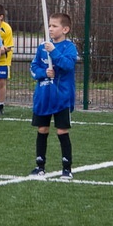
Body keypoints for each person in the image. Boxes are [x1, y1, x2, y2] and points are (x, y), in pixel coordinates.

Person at [29, 13, 78, 180]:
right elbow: (34, 68)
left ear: (65, 29)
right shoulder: (42, 47)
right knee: (42, 129)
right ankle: (40, 165)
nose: (50, 28)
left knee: (62, 130)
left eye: (54, 26)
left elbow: (68, 65)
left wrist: (54, 52)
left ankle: (66, 168)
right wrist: (44, 73)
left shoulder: (69, 47)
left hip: (61, 97)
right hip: (44, 97)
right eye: (49, 25)